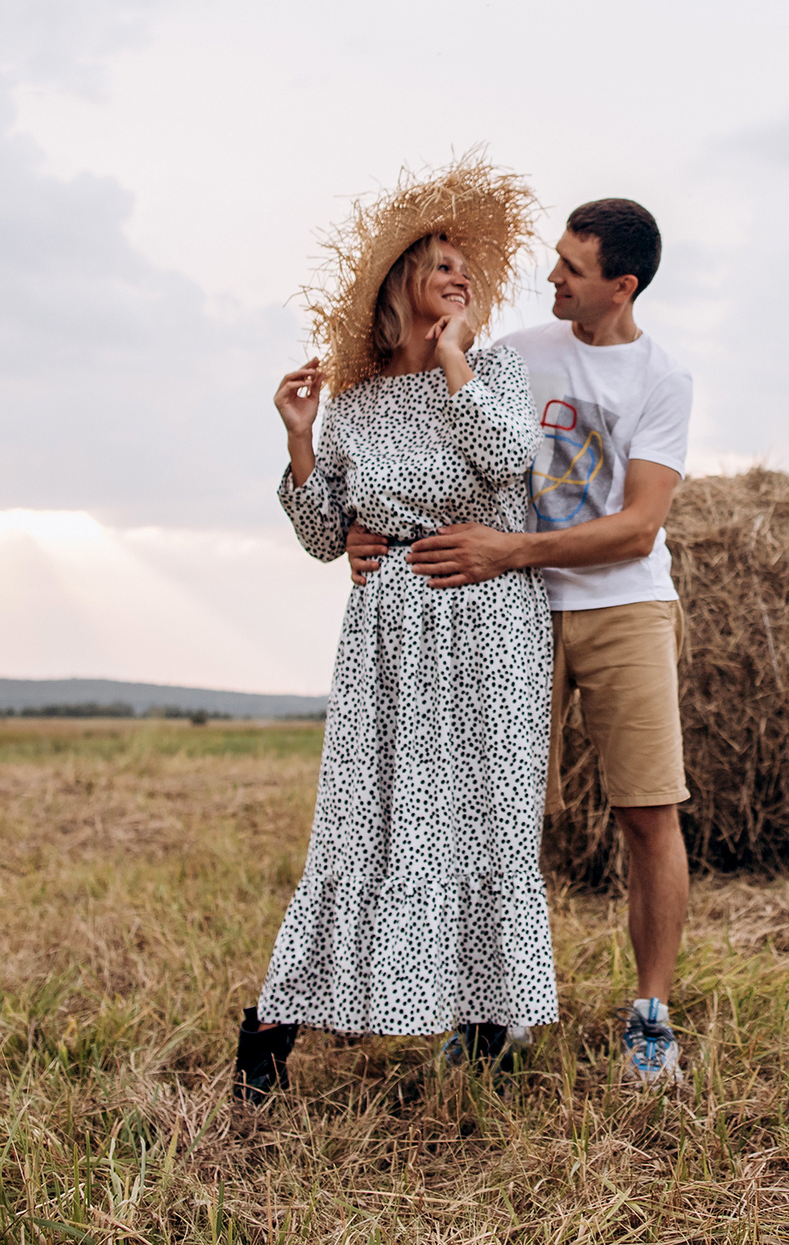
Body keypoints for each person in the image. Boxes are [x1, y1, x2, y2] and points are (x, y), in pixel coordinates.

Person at [347, 197, 694, 1087]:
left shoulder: (662, 378)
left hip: (621, 607)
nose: (550, 278)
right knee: (484, 810)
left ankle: (650, 1014)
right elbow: (435, 427)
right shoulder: (509, 353)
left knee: (647, 813)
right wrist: (364, 527)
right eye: (555, 259)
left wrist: (511, 548)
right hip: (507, 614)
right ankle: (492, 1015)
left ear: (620, 287)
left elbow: (639, 527)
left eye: (571, 270)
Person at [236, 156, 555, 1102]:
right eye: (439, 263)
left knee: (486, 824)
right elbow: (320, 534)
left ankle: (489, 1029)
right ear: (399, 283)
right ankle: (271, 1027)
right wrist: (299, 436)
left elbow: (506, 465)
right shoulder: (357, 402)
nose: (459, 275)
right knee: (362, 825)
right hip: (386, 641)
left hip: (490, 635)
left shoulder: (494, 370)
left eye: (466, 266)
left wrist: (457, 356)